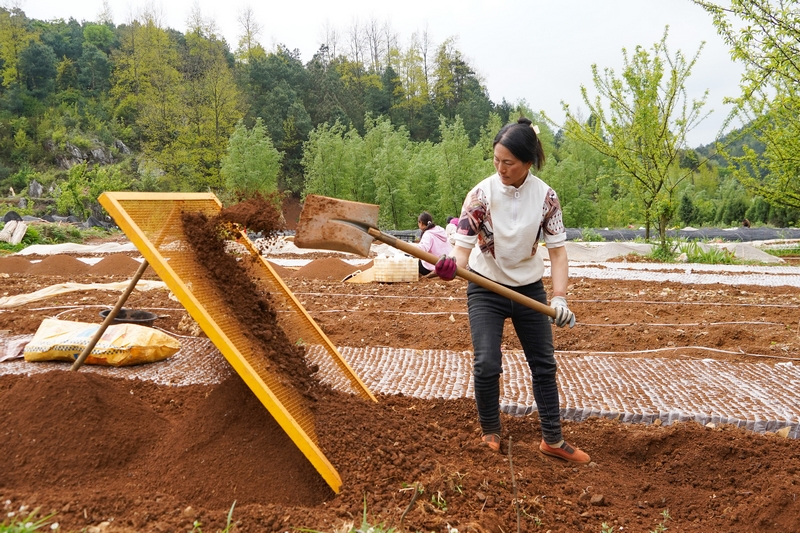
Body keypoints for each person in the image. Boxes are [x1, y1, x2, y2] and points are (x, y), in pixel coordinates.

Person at [433, 117, 590, 464]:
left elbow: (559, 252)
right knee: (487, 363)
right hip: (484, 285)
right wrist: (449, 265)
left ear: (528, 163)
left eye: (509, 163)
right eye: (496, 161)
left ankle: (552, 439)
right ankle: (490, 431)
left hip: (529, 289)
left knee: (544, 365)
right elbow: (461, 249)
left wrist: (559, 296)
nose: (500, 168)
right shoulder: (480, 195)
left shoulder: (546, 198)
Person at [415, 212, 452, 276]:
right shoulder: (441, 230)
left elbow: (421, 250)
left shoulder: (428, 234)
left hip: (433, 266)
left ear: (420, 223)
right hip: (446, 264)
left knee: (414, 262)